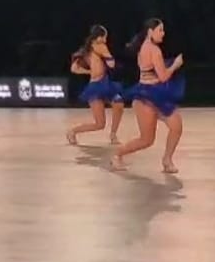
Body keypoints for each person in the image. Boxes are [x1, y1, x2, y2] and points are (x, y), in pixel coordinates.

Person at [112, 18, 185, 173]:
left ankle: (167, 160)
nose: (163, 34)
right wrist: (175, 65)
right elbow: (163, 76)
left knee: (176, 126)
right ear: (150, 31)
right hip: (147, 96)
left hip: (153, 93)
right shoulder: (153, 49)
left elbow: (154, 74)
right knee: (147, 139)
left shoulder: (145, 47)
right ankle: (117, 154)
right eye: (160, 30)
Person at [68, 25, 125, 145]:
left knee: (118, 104)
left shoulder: (86, 50)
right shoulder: (100, 46)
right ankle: (73, 131)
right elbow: (112, 64)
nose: (105, 40)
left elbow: (74, 69)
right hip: (97, 86)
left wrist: (90, 71)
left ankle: (113, 134)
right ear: (99, 37)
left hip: (103, 83)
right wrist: (107, 58)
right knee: (100, 123)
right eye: (104, 37)